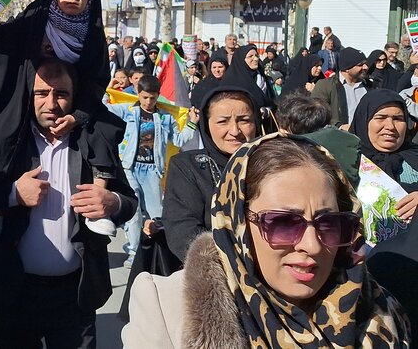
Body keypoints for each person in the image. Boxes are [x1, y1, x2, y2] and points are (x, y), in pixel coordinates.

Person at [123, 135, 410, 347]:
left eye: (331, 223)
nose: (312, 246)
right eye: (284, 223)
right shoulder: (167, 307)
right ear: (237, 224)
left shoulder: (379, 308)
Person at [0, 59, 137, 349]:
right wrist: (13, 194)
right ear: (29, 95)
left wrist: (111, 202)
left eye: (61, 93)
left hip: (75, 297)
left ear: (75, 96)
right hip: (16, 294)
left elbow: (129, 201)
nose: (51, 103)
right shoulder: (10, 145)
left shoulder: (91, 142)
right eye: (42, 93)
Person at [0, 0, 114, 198]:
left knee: (104, 125)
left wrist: (77, 117)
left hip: (72, 106)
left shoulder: (92, 35)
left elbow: (97, 80)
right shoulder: (36, 17)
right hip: (28, 98)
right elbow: (4, 38)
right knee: (1, 135)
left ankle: (98, 195)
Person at [105, 75, 197, 263]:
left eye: (152, 98)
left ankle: (155, 250)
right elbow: (104, 108)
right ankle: (133, 252)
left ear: (158, 96)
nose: (148, 102)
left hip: (152, 169)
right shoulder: (128, 111)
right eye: (145, 97)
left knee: (157, 213)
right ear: (138, 94)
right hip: (130, 166)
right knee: (135, 210)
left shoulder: (164, 118)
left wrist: (192, 123)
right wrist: (108, 88)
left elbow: (179, 140)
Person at [162, 86, 261, 259]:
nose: (235, 131)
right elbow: (183, 233)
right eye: (223, 122)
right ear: (206, 125)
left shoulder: (271, 164)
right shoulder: (187, 167)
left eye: (244, 120)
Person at [348, 89, 418, 216]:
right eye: (381, 117)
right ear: (363, 120)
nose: (390, 126)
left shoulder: (415, 157)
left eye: (398, 118)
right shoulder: (345, 163)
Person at [311, 47, 370, 127]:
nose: (365, 67)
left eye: (365, 64)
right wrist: (339, 126)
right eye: (360, 65)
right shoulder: (326, 85)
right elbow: (316, 114)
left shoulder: (370, 86)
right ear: (347, 69)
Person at [220, 44, 277, 111]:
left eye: (256, 56)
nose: (255, 59)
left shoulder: (262, 78)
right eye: (250, 56)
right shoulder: (230, 81)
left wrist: (268, 110)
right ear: (241, 59)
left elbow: (271, 100)